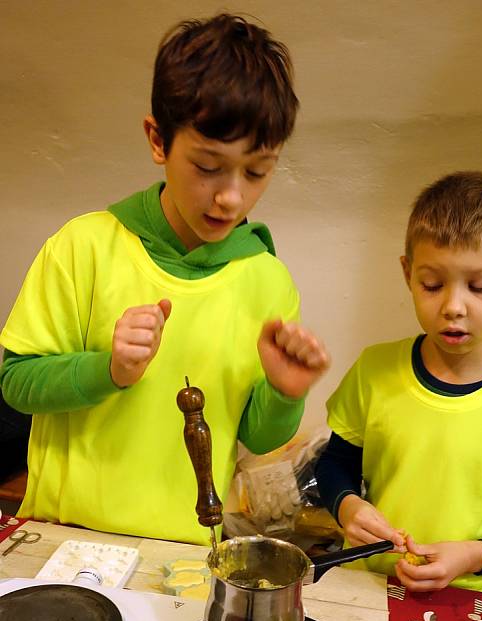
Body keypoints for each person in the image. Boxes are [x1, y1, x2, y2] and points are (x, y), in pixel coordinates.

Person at [0, 14, 329, 545]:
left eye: (257, 171)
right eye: (208, 166)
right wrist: (107, 369)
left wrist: (285, 393)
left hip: (187, 554)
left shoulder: (267, 280)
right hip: (63, 538)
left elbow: (258, 433)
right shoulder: (82, 246)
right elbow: (16, 385)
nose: (231, 197)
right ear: (158, 140)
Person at [315, 171, 482, 595]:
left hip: (467, 601)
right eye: (432, 285)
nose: (453, 306)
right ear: (408, 272)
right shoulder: (375, 370)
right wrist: (347, 505)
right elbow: (334, 464)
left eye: (479, 287)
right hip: (366, 588)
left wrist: (475, 555)